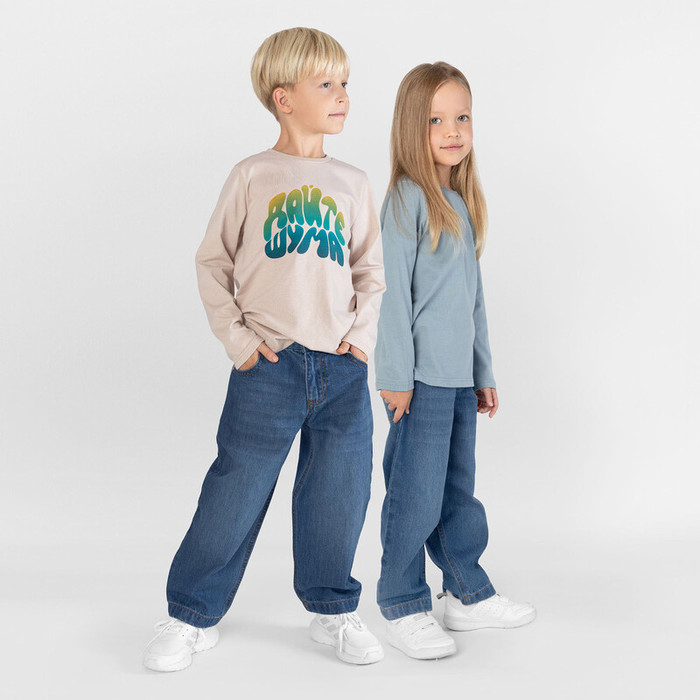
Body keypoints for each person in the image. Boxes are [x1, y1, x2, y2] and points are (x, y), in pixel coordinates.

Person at [143, 27, 386, 671]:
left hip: (341, 369)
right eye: (326, 84)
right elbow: (212, 261)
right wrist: (241, 343)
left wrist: (360, 342)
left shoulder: (353, 181)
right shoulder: (252, 175)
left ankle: (333, 610)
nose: (343, 95)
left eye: (345, 83)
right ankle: (189, 614)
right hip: (269, 366)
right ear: (284, 97)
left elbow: (370, 270)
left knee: (339, 492)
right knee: (236, 490)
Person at [374, 62, 536, 660]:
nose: (452, 130)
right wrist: (395, 378)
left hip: (458, 382)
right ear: (410, 127)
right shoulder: (405, 201)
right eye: (436, 120)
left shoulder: (459, 204)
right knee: (414, 495)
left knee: (457, 492)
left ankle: (466, 593)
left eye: (461, 117)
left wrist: (482, 373)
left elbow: (473, 300)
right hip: (417, 383)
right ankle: (402, 602)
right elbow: (391, 296)